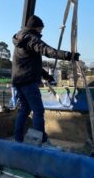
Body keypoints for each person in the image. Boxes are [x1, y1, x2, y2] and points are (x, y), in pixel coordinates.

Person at [12, 15, 80, 145]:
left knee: (24, 110)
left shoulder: (21, 39)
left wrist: (46, 76)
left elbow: (29, 64)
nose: (41, 32)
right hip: (28, 82)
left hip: (19, 81)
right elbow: (47, 50)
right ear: (35, 28)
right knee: (38, 111)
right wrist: (68, 56)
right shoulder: (31, 38)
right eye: (40, 29)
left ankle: (17, 139)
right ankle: (41, 141)